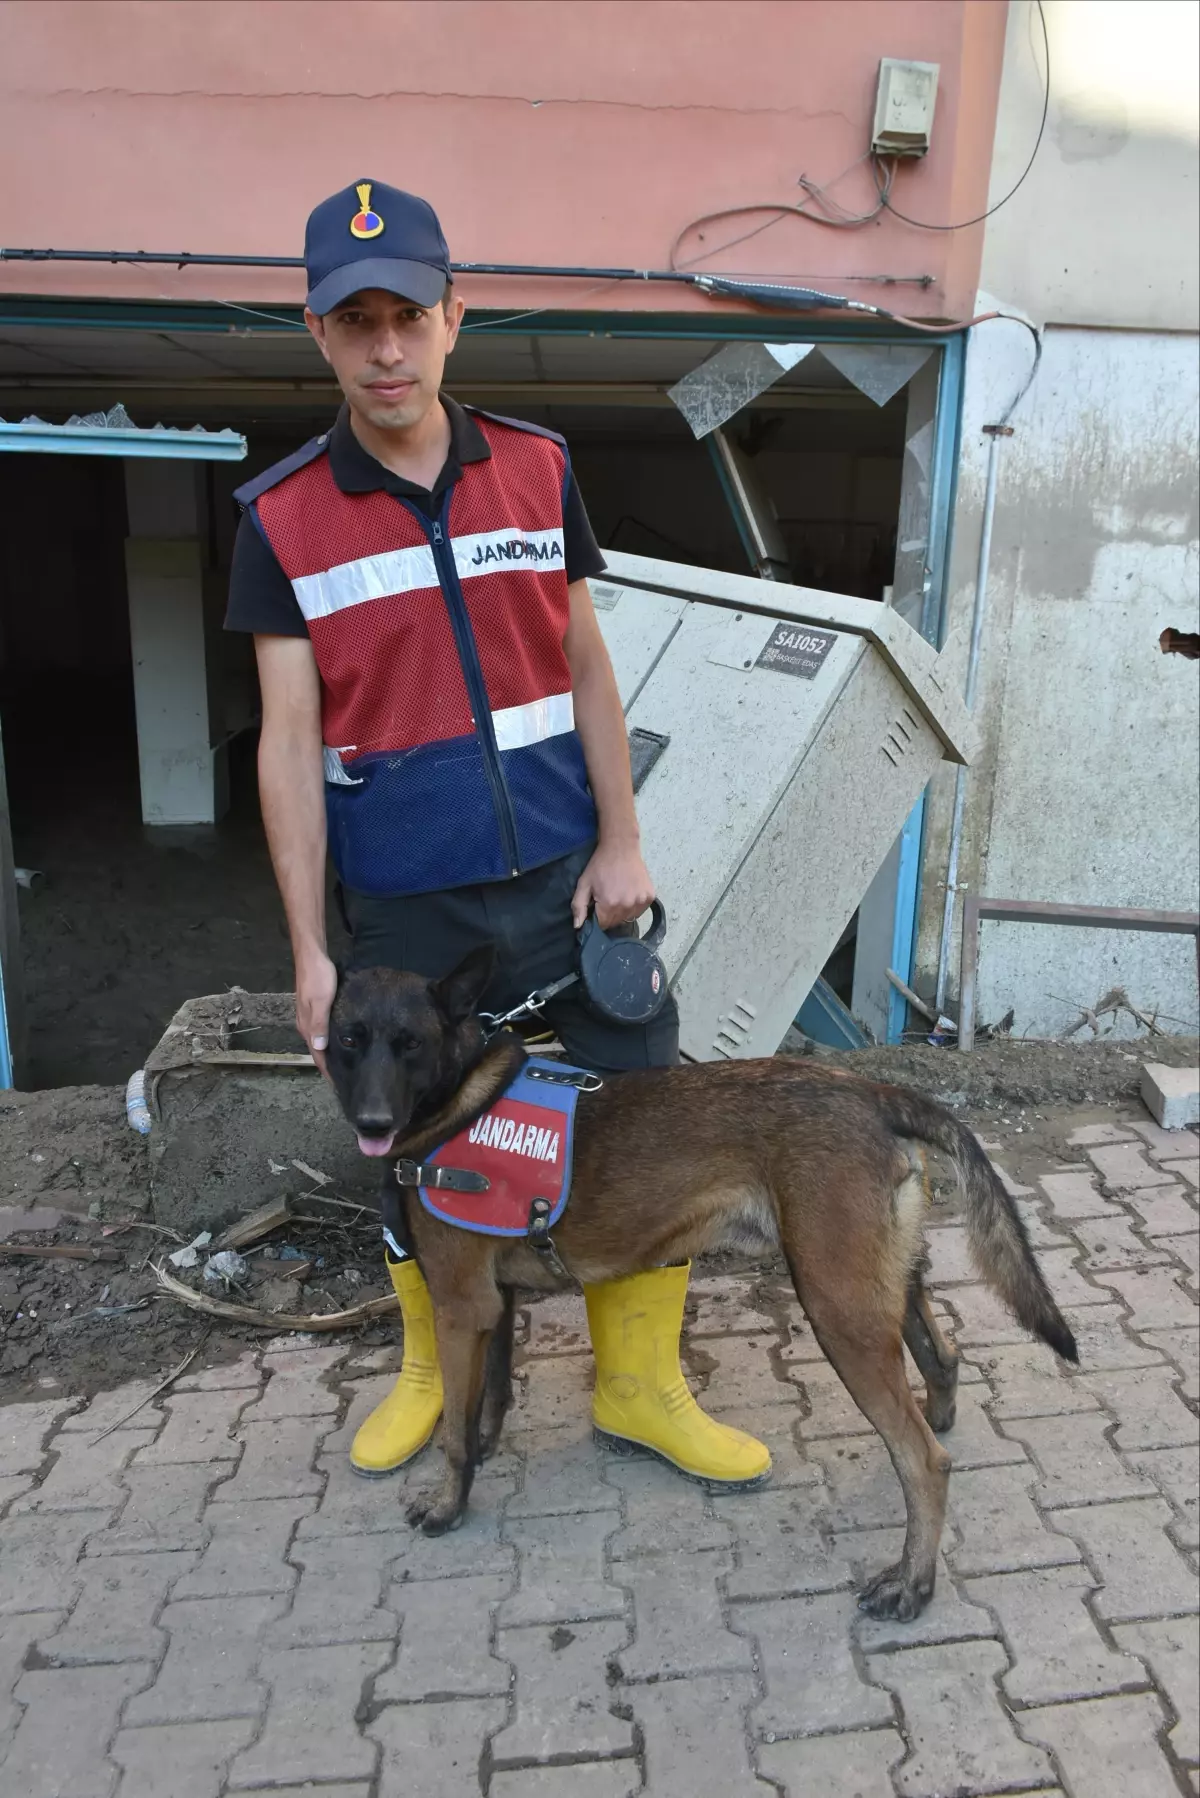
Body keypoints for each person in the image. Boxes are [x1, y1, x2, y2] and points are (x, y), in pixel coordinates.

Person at [225, 180, 769, 1488]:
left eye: (408, 314)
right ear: (320, 336)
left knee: (639, 1109)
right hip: (409, 909)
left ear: (453, 316)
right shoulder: (279, 517)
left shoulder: (537, 465)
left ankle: (640, 1381)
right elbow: (285, 744)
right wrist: (308, 950)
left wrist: (624, 840)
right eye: (355, 322)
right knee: (405, 1135)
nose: (387, 349)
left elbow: (585, 664)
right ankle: (430, 1368)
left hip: (567, 875)